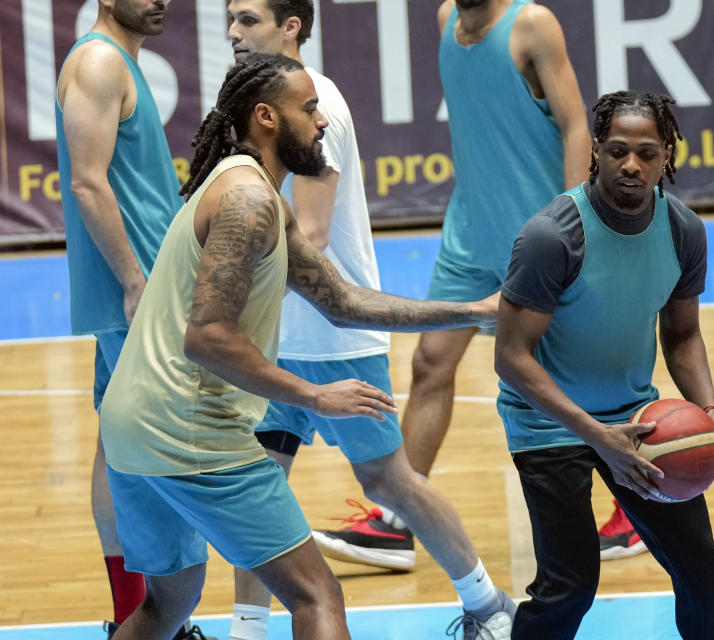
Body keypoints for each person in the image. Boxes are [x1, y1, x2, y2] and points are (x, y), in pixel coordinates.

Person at [98, 52, 513, 640]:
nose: (322, 123)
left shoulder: (253, 193)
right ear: (267, 117)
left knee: (169, 605)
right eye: (310, 109)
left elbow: (344, 302)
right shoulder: (249, 201)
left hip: (130, 430)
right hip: (187, 431)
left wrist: (472, 310)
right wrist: (314, 396)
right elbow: (207, 337)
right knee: (316, 595)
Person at [316, 0, 646, 565]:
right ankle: (399, 516)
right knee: (430, 364)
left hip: (538, 233)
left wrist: (572, 221)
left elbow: (574, 124)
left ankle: (634, 511)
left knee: (584, 374)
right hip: (469, 234)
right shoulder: (448, 21)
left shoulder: (531, 25)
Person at [222, 5, 516, 640]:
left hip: (334, 338)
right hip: (275, 341)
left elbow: (315, 233)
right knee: (256, 484)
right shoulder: (256, 104)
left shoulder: (313, 102)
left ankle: (488, 606)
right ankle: (247, 629)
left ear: (291, 25)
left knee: (390, 479)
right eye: (230, 19)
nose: (233, 33)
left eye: (247, 18)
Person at [492, 90, 714, 639]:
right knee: (570, 584)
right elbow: (510, 358)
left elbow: (683, 333)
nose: (631, 164)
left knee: (700, 568)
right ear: (596, 152)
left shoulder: (682, 231)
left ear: (667, 156)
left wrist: (709, 411)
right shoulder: (551, 237)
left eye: (647, 153)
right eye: (617, 151)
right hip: (548, 425)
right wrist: (598, 436)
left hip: (637, 418)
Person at [54, 1, 209, 637]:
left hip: (142, 296)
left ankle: (132, 616)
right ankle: (155, 620)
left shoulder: (121, 63)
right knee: (159, 456)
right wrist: (135, 279)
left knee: (113, 448)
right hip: (138, 301)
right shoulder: (97, 61)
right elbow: (88, 184)